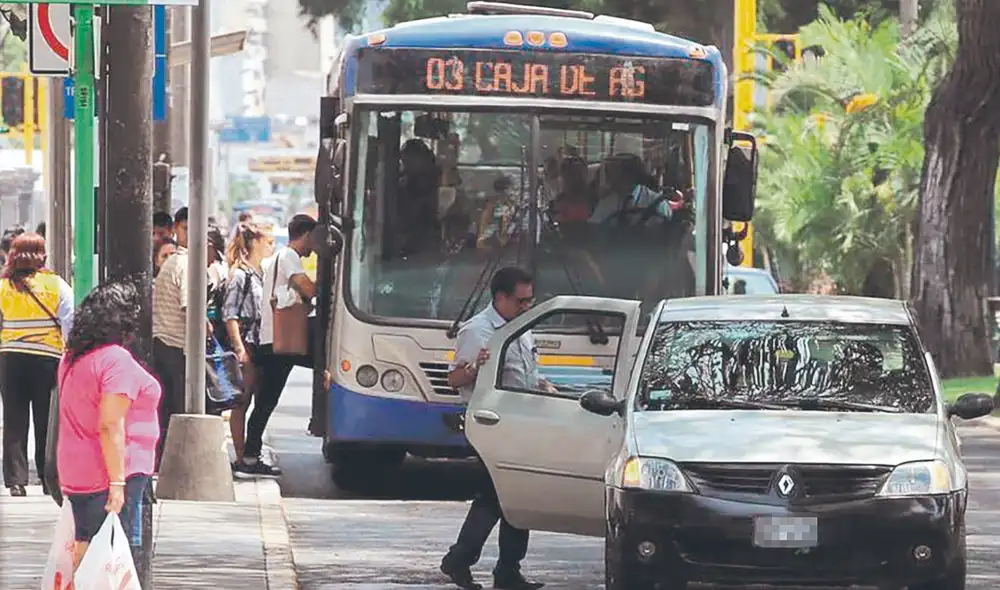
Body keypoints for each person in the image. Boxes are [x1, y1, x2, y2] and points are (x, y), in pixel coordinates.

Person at [440, 267, 546, 590]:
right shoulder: (478, 331)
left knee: (516, 497)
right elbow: (454, 379)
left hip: (521, 424)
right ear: (500, 298)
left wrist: (545, 387)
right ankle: (461, 559)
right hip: (492, 426)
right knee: (494, 497)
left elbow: (524, 376)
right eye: (520, 301)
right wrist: (475, 367)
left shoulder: (522, 328)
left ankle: (505, 569)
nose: (526, 307)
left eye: (530, 301)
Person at [56, 280, 161, 570]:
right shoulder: (115, 360)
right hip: (114, 469)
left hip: (77, 469)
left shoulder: (73, 358)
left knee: (87, 552)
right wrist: (117, 483)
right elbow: (111, 424)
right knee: (114, 558)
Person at [233, 214, 317, 478]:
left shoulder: (279, 257)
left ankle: (250, 454)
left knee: (265, 400)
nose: (313, 247)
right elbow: (307, 288)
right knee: (267, 400)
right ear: (305, 235)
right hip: (277, 342)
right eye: (312, 240)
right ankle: (249, 457)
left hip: (272, 340)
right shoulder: (290, 256)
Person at [0, 233, 74, 497]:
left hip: (11, 358)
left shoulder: (3, 286)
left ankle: (16, 481)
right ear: (42, 255)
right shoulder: (56, 285)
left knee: (14, 419)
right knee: (46, 419)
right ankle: (46, 477)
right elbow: (70, 322)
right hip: (47, 359)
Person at [223, 222, 270, 463]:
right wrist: (239, 347)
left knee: (252, 399)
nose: (271, 247)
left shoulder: (258, 274)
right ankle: (240, 456)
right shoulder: (240, 275)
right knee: (241, 402)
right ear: (255, 243)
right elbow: (230, 314)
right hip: (246, 346)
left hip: (258, 344)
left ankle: (248, 453)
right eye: (268, 242)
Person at [151, 221, 189, 465]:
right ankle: (173, 461)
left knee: (164, 408)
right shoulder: (184, 265)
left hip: (162, 342)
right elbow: (188, 308)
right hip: (177, 344)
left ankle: (161, 459)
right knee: (178, 407)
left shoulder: (173, 263)